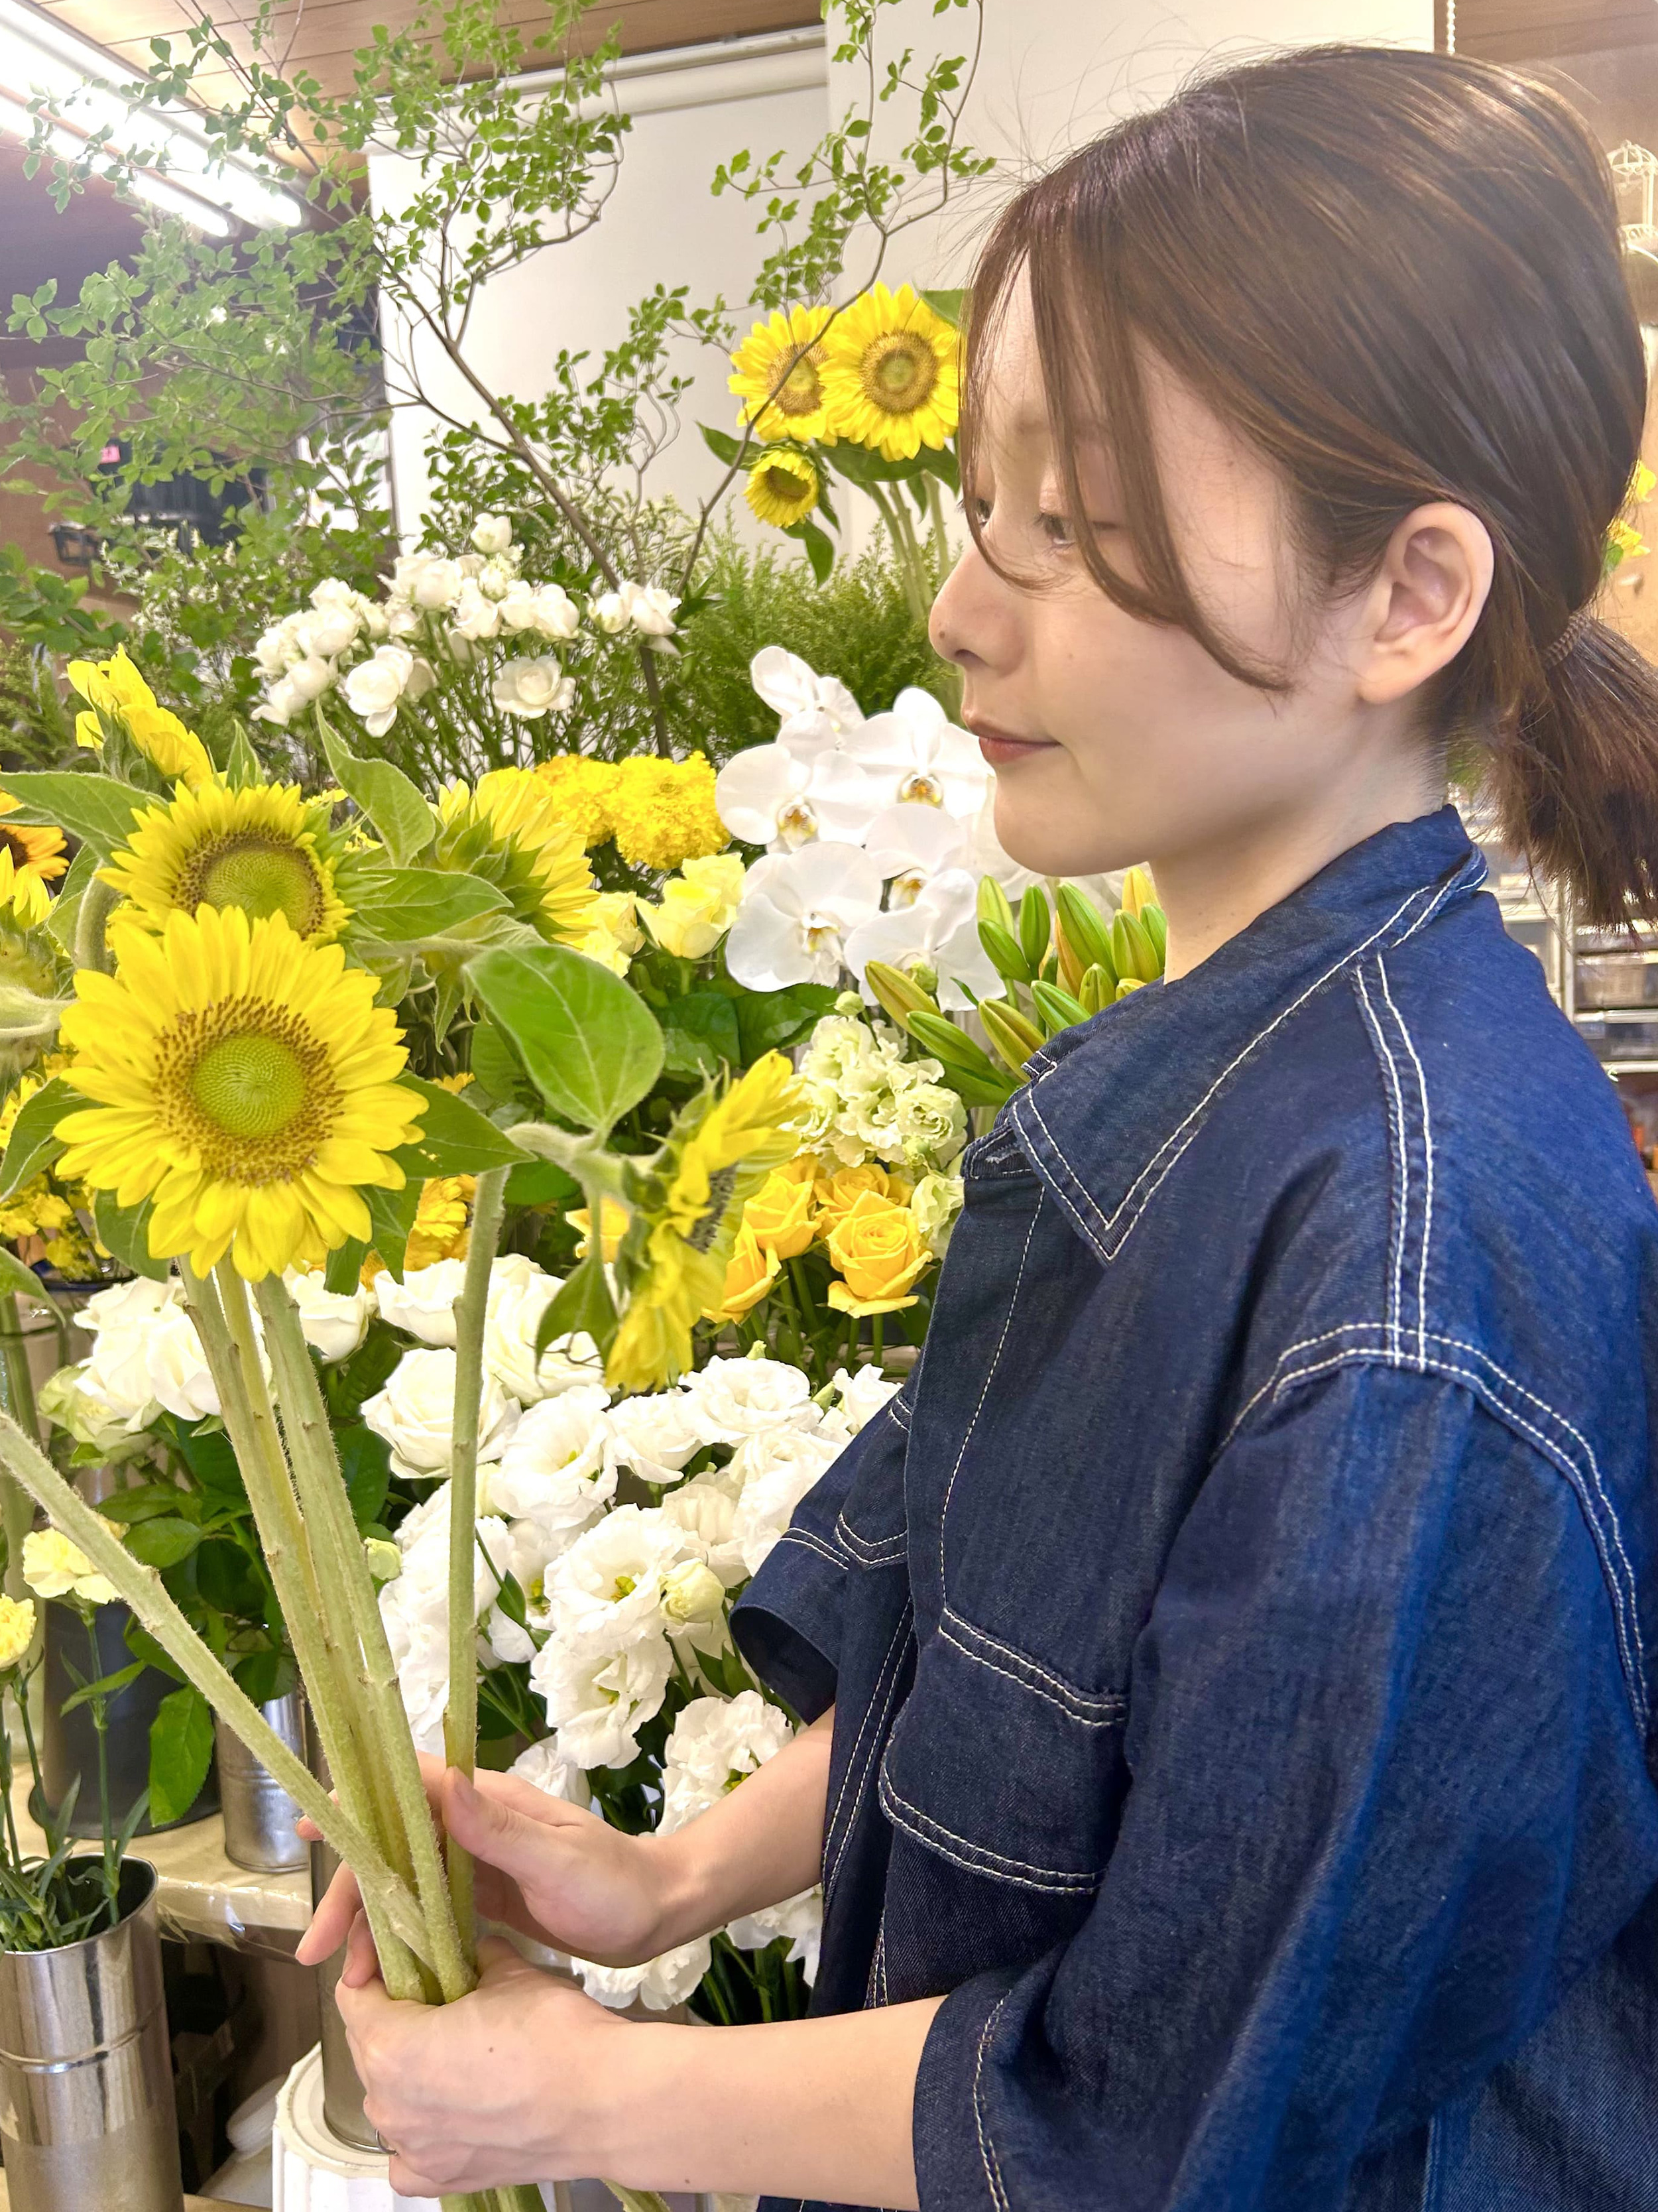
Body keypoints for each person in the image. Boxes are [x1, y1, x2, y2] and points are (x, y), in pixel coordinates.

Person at [298, 43, 1658, 2211]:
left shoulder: (1411, 1251)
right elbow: (1009, 1693)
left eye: (1081, 523)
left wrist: (579, 2100)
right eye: (982, 501)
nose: (959, 607)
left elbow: (1173, 2104)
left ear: (1407, 595)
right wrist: (661, 1881)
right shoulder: (1224, 1081)